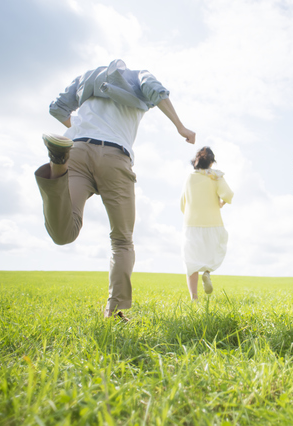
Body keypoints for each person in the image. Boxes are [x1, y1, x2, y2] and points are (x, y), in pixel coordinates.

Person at [35, 59, 195, 322]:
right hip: (114, 156)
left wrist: (78, 127)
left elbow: (57, 108)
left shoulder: (88, 76)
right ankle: (114, 311)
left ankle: (57, 164)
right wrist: (180, 126)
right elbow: (159, 93)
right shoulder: (140, 76)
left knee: (63, 234)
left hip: (76, 151)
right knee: (122, 240)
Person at [180, 147, 233, 301]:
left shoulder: (190, 178)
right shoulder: (215, 176)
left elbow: (183, 203)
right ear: (211, 162)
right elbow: (228, 195)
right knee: (213, 251)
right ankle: (207, 272)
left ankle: (194, 298)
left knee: (191, 261)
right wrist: (221, 203)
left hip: (192, 223)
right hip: (213, 223)